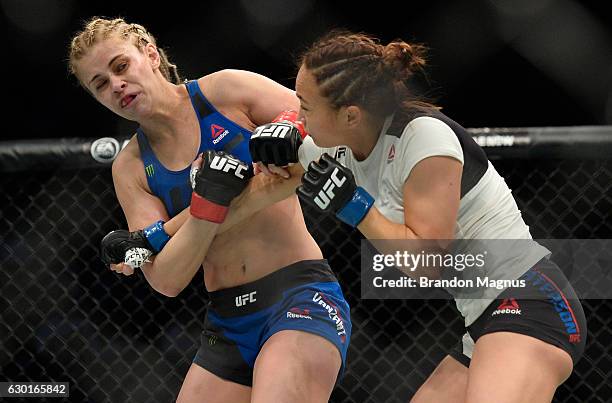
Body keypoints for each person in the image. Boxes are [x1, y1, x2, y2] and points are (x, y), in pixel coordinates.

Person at [249, 31, 587, 402]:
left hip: (530, 302)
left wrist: (356, 207)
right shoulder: (338, 148)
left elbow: (427, 262)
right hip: (483, 321)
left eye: (306, 107)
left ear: (349, 114)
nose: (299, 115)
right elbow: (269, 174)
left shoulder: (424, 138)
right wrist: (229, 174)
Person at [67, 17, 351, 403]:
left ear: (150, 55)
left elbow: (320, 126)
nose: (116, 85)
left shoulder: (225, 91)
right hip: (227, 322)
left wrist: (287, 127)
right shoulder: (131, 166)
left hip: (298, 295)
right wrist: (206, 207)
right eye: (99, 83)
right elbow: (166, 278)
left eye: (120, 66)